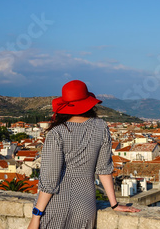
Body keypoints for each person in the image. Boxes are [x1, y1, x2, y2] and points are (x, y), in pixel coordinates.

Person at [27, 80, 140, 229]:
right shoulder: (101, 127)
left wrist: (36, 215)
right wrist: (114, 204)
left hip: (56, 205)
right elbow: (104, 170)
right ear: (88, 103)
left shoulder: (57, 133)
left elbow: (49, 181)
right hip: (86, 206)